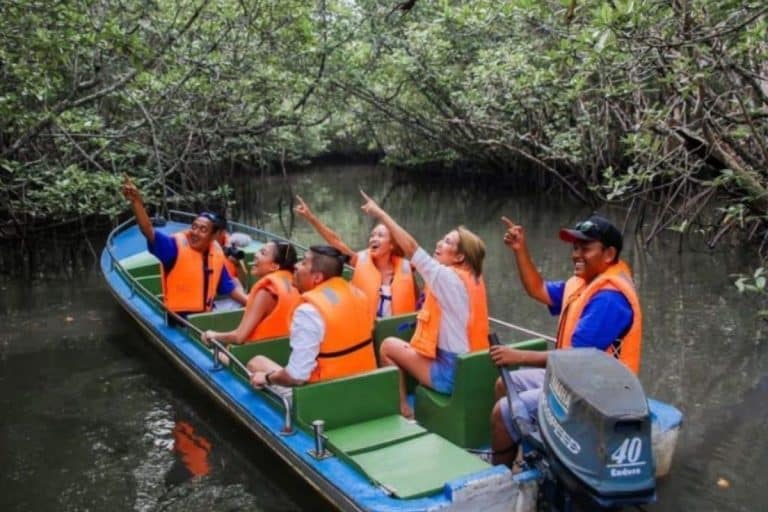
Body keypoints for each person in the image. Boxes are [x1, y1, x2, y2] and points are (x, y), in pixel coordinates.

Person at [489, 214, 643, 467]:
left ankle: (502, 479)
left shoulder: (609, 299)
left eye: (586, 248)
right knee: (503, 384)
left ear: (608, 254)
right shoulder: (583, 284)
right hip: (573, 382)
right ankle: (526, 454)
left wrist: (518, 356)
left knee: (502, 412)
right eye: (575, 247)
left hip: (596, 397)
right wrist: (520, 249)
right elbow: (538, 289)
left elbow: (574, 361)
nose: (576, 254)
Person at [359, 191, 489, 418]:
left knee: (388, 346)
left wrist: (380, 213)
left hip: (450, 374)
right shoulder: (474, 278)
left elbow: (411, 248)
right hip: (474, 368)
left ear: (459, 258)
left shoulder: (448, 278)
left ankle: (403, 411)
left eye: (448, 242)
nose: (439, 243)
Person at [246, 245, 376, 392]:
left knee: (256, 363)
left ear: (317, 277)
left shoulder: (308, 311)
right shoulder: (359, 295)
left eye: (303, 263)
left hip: (323, 396)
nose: (295, 265)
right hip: (367, 388)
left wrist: (267, 378)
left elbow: (296, 376)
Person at [121, 176, 247, 316]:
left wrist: (250, 304)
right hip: (180, 320)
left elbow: (229, 288)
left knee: (236, 288)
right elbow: (148, 231)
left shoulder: (215, 254)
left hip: (204, 316)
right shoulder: (174, 247)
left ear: (214, 236)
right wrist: (136, 203)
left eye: (203, 230)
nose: (195, 232)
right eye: (194, 227)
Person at [294, 195, 418, 318]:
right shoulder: (359, 261)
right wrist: (311, 218)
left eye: (380, 235)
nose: (373, 239)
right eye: (372, 235)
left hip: (397, 331)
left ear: (392, 245)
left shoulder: (406, 270)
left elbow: (416, 302)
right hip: (366, 329)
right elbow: (336, 242)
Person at [200, 241, 300, 345]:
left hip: (256, 352)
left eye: (263, 253)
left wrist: (213, 335)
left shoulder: (266, 292)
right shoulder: (294, 284)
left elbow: (238, 337)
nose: (256, 255)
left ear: (274, 266)